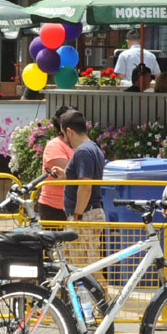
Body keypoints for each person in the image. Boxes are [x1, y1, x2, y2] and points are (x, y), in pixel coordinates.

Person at [50, 110, 106, 268]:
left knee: (85, 269)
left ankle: (102, 293)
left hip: (85, 215)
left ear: (69, 131)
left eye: (63, 134)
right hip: (90, 213)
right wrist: (66, 175)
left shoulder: (83, 151)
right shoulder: (93, 148)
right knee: (86, 266)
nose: (63, 139)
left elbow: (85, 186)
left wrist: (77, 217)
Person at [36, 105, 73, 222]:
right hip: (55, 207)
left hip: (75, 206)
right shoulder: (54, 146)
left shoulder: (78, 144)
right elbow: (67, 173)